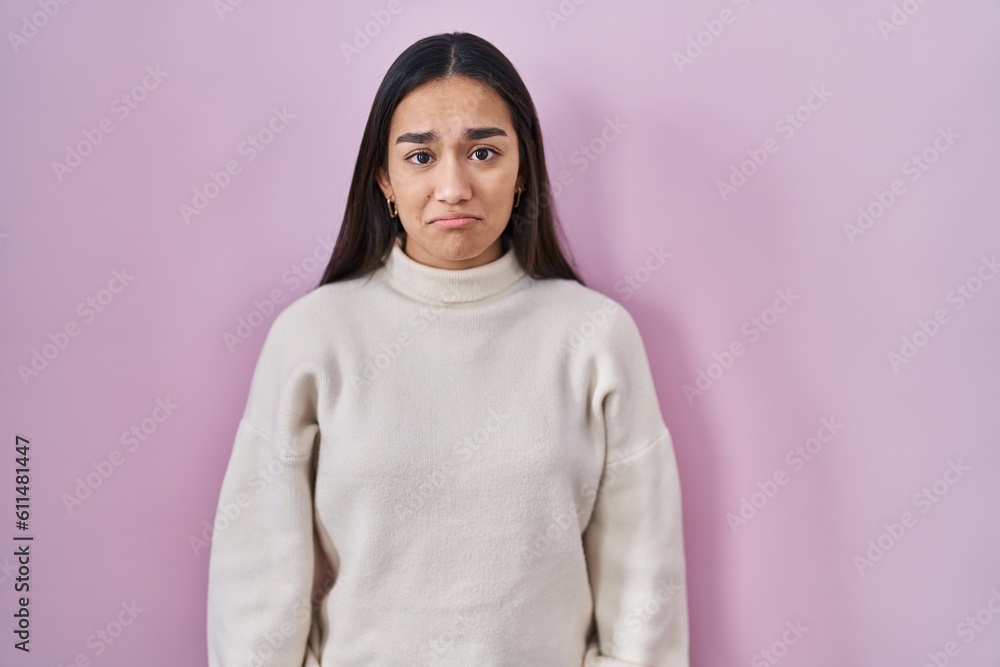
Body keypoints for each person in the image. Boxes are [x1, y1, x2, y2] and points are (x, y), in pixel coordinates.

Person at [206, 31, 689, 667]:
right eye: (421, 157)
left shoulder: (594, 336)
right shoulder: (313, 337)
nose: (454, 186)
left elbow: (643, 579)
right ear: (384, 177)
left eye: (484, 152)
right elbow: (255, 580)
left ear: (523, 172)